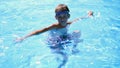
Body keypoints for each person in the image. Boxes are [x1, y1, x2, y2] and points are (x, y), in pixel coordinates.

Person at [16, 4, 93, 68]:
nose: (62, 19)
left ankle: (74, 48)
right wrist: (23, 37)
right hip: (54, 41)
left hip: (64, 38)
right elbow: (39, 31)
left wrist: (88, 15)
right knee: (63, 57)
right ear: (56, 17)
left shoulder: (69, 23)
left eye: (64, 16)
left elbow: (79, 19)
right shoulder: (54, 26)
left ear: (68, 16)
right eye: (60, 17)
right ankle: (60, 65)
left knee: (77, 32)